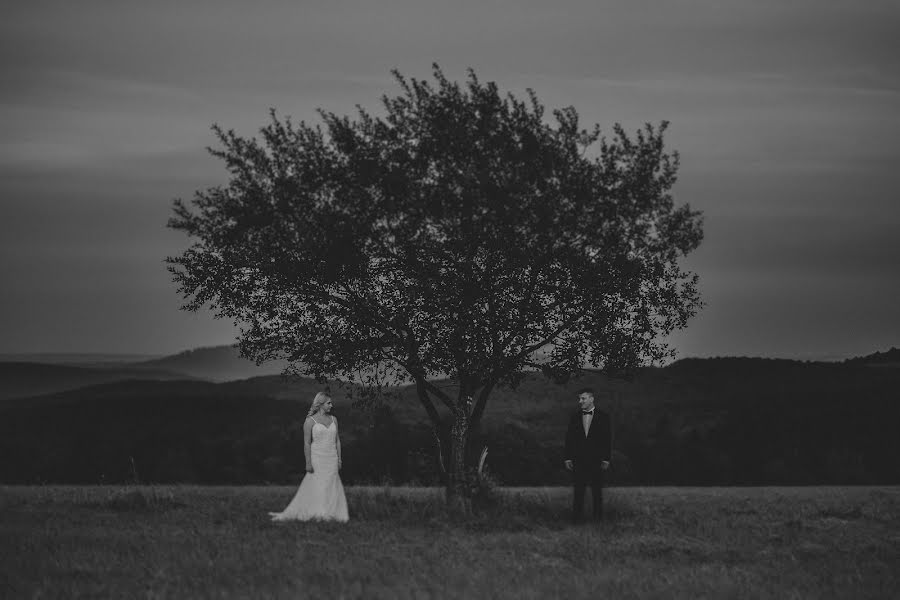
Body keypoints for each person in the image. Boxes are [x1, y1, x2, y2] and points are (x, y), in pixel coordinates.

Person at [269, 392, 349, 522]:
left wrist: (339, 458)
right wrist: (308, 462)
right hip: (317, 457)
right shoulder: (309, 421)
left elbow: (337, 440)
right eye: (329, 403)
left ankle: (332, 512)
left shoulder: (334, 419)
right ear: (321, 404)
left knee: (331, 485)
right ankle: (319, 513)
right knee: (318, 485)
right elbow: (306, 443)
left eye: (331, 403)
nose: (331, 405)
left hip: (332, 458)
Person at [564, 387, 611, 522]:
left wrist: (606, 459)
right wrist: (567, 457)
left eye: (583, 398)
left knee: (597, 491)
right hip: (578, 460)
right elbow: (569, 438)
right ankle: (576, 520)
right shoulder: (574, 417)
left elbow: (607, 439)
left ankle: (598, 520)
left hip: (597, 460)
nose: (580, 401)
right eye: (579, 399)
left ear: (591, 399)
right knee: (578, 491)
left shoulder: (604, 417)